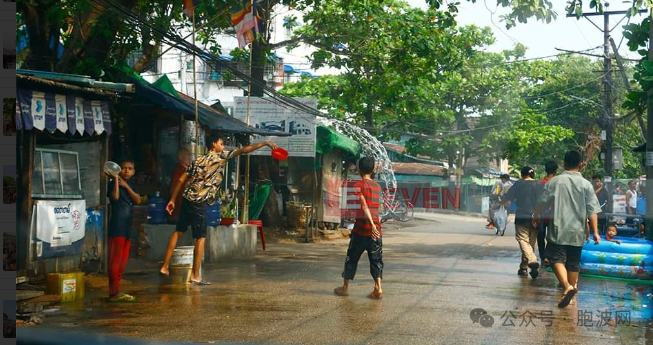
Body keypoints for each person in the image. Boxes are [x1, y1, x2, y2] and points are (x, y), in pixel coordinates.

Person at [160, 134, 278, 285]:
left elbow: (183, 179)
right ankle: (196, 275)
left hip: (187, 199)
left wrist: (172, 200)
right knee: (201, 237)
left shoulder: (198, 160)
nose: (223, 147)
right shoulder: (220, 157)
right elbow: (244, 150)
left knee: (178, 231)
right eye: (221, 144)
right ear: (214, 144)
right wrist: (264, 143)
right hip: (199, 202)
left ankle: (164, 266)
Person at [534, 150, 601, 308]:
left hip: (558, 228)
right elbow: (592, 211)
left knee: (555, 258)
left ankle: (567, 286)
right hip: (577, 230)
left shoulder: (555, 181)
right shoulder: (586, 185)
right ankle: (570, 295)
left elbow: (542, 202)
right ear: (580, 165)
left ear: (564, 164)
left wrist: (536, 215)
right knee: (572, 263)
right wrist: (595, 231)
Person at [334, 156, 383, 299]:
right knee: (376, 259)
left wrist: (371, 225)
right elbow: (374, 207)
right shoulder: (377, 186)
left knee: (352, 257)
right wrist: (375, 225)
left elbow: (364, 205)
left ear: (359, 169)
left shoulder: (358, 185)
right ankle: (378, 287)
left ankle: (345, 287)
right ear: (373, 169)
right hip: (376, 230)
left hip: (362, 228)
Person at [106, 158, 141, 302]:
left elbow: (138, 200)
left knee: (123, 261)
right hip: (117, 225)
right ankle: (114, 292)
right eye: (124, 168)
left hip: (127, 226)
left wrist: (126, 186)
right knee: (116, 259)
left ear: (133, 172)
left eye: (130, 168)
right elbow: (115, 197)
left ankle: (117, 290)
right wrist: (115, 179)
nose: (126, 170)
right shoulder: (112, 183)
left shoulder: (130, 184)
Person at [501, 166, 542, 279]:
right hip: (536, 217)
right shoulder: (539, 184)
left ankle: (532, 261)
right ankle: (523, 268)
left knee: (523, 240)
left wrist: (501, 202)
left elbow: (508, 197)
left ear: (522, 175)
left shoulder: (518, 184)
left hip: (522, 216)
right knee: (531, 243)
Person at [538, 160, 558, 267]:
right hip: (554, 214)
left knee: (540, 236)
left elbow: (538, 200)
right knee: (551, 236)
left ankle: (543, 257)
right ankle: (548, 256)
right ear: (556, 171)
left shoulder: (540, 183)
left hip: (541, 213)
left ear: (545, 170)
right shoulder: (558, 183)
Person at [168, 148, 191, 223]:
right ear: (181, 157)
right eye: (188, 155)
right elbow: (173, 190)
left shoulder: (187, 170)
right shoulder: (178, 171)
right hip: (180, 207)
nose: (190, 158)